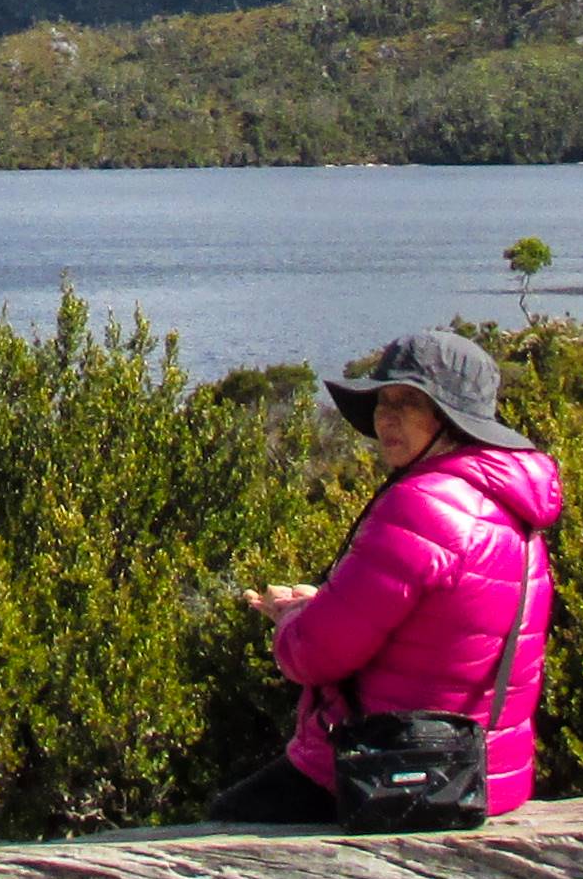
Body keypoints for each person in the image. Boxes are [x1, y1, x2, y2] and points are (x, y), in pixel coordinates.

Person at [216, 325, 564, 826]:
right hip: (489, 777)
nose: (387, 419)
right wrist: (328, 604)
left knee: (225, 822)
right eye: (383, 401)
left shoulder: (424, 504)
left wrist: (292, 617)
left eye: (410, 403)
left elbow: (313, 655)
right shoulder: (512, 505)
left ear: (451, 419)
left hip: (392, 771)